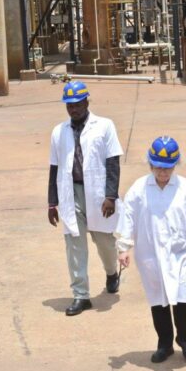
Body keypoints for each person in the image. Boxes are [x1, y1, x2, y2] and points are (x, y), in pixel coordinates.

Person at [116, 137, 186, 363]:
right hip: (150, 255)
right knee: (158, 299)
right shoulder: (139, 189)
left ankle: (185, 340)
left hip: (182, 254)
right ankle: (165, 343)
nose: (163, 173)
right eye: (158, 168)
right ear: (150, 165)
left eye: (168, 168)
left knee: (182, 298)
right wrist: (123, 248)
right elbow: (127, 219)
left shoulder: (185, 188)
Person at [48, 80, 123, 316]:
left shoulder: (105, 126)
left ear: (86, 102)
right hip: (71, 193)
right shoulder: (59, 132)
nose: (73, 109)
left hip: (99, 194)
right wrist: (52, 202)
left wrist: (111, 195)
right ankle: (81, 295)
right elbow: (54, 167)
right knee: (74, 245)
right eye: (69, 105)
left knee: (105, 242)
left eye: (77, 104)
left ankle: (112, 272)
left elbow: (113, 162)